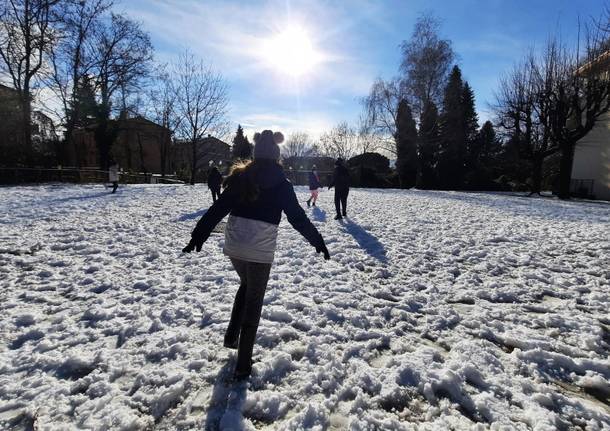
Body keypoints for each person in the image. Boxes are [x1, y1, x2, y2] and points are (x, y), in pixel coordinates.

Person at [182, 130, 330, 381]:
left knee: (246, 284)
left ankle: (231, 337)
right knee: (254, 300)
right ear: (276, 155)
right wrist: (317, 240)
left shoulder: (241, 177)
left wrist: (199, 235)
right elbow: (297, 218)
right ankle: (243, 365)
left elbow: (218, 208)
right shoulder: (282, 184)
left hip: (235, 245)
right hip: (259, 250)